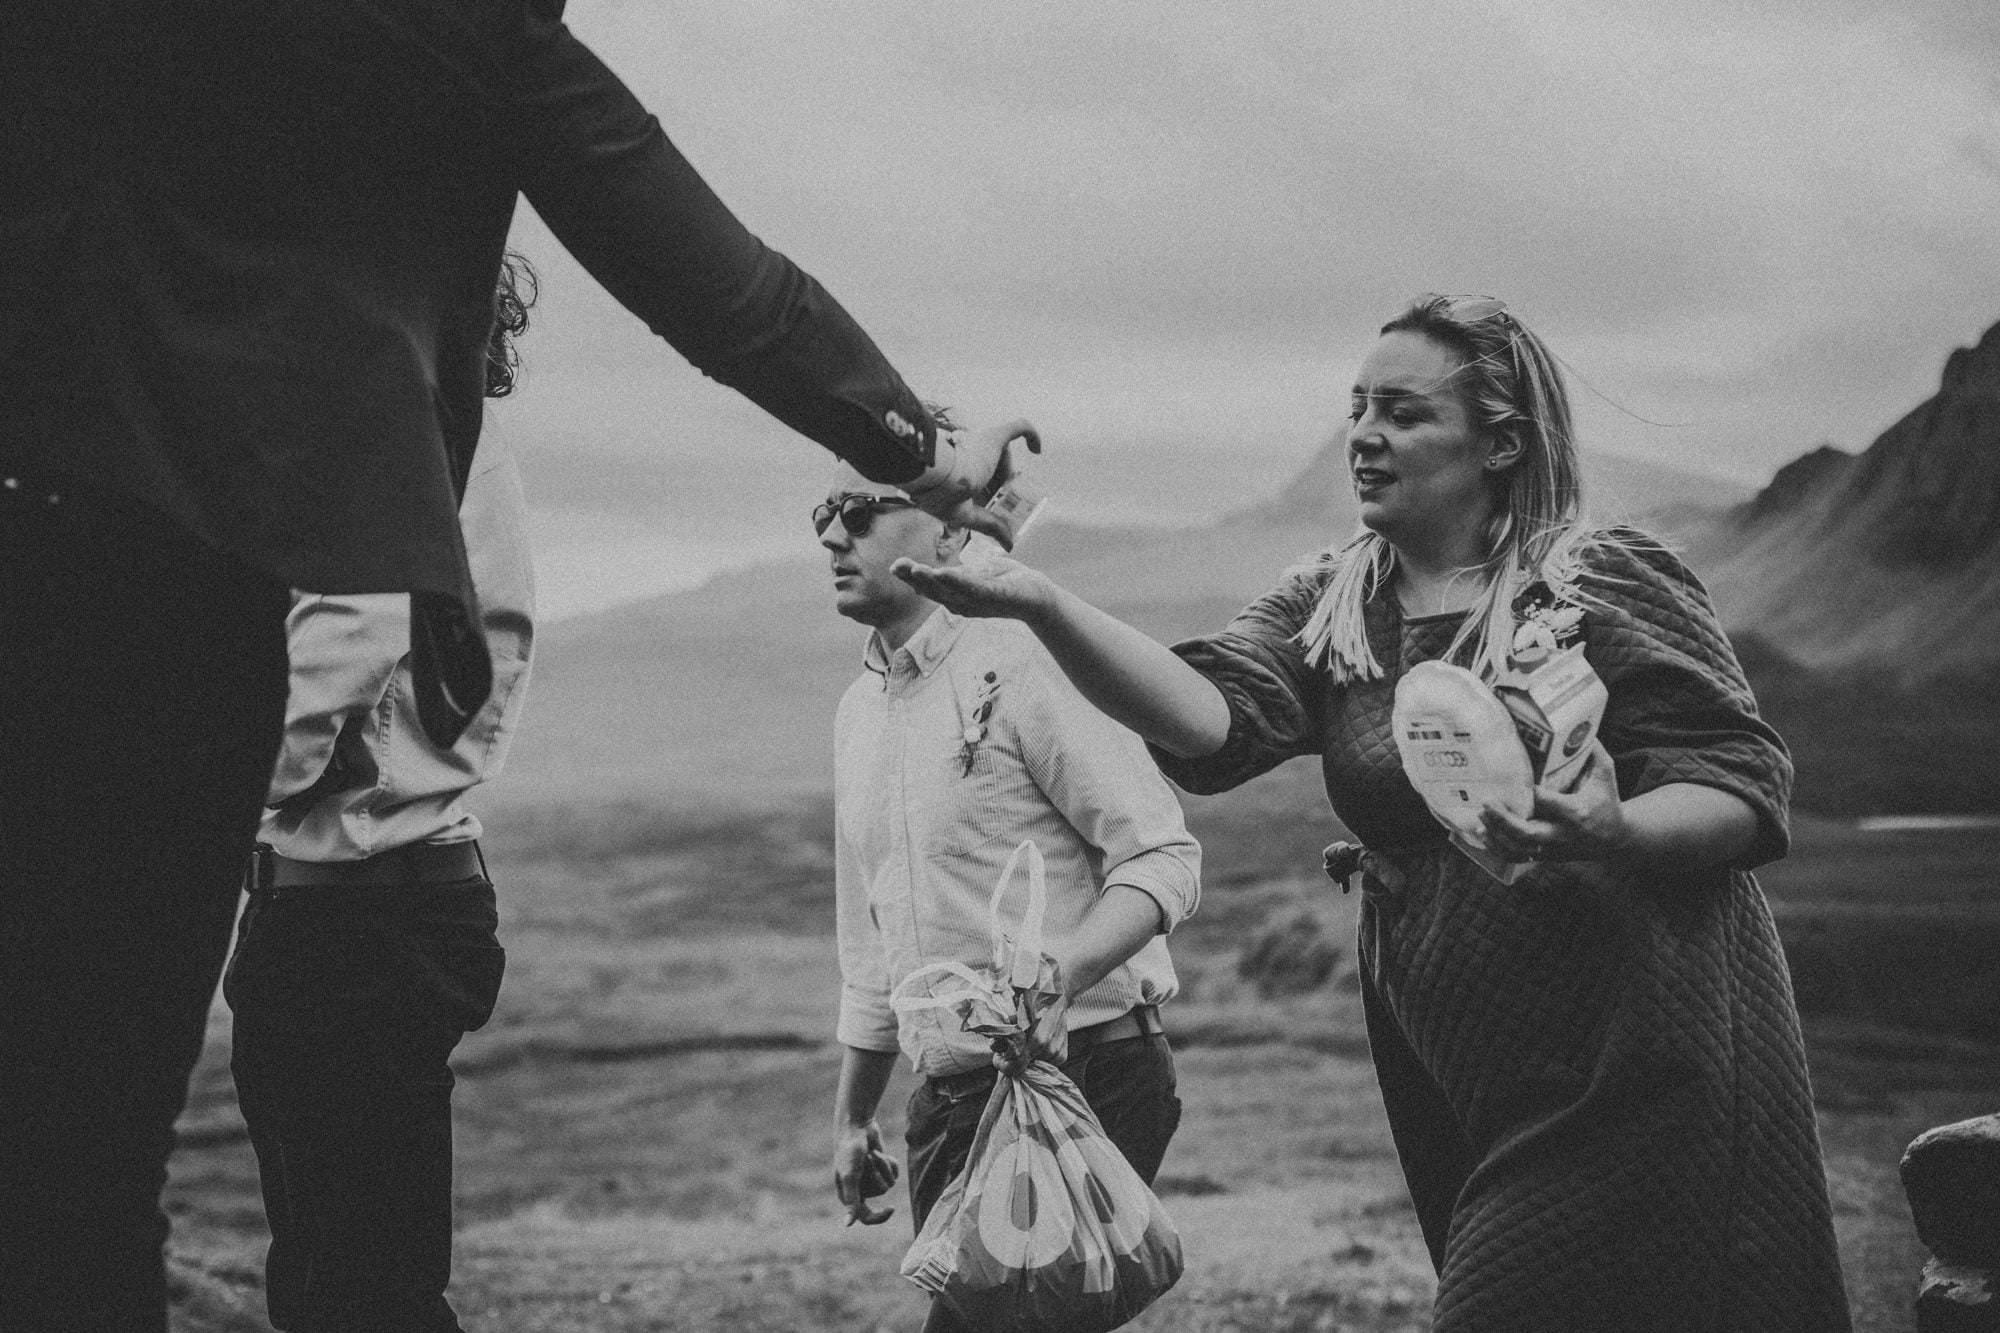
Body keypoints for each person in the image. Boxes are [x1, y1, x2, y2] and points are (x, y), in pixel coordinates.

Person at [0, 9, 1031, 1330]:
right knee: (104, 1174)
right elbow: (720, 281)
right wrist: (924, 450)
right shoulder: (449, 44)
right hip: (161, 618)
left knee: (125, 1190)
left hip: (122, 615)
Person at [896, 295, 1853, 1332]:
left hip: (1633, 1050)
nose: (1362, 433)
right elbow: (1208, 724)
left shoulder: (1596, 576)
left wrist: (1613, 830)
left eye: (1401, 412)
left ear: (1499, 441)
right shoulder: (1336, 601)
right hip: (1461, 1062)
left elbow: (1738, 784)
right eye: (1356, 407)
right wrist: (1040, 603)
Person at [221, 257, 537, 1333]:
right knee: (353, 1275)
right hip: (375, 902)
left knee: (350, 1290)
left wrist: (198, 805)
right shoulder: (452, 437)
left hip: (353, 913)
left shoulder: (392, 425)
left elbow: (347, 636)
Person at [817, 457, 1201, 1333]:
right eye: (823, 514)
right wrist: (851, 1118)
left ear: (953, 529)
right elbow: (871, 941)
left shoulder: (1033, 657)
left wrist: (1066, 967)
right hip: (947, 1101)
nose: (833, 535)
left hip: (1085, 1072)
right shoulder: (857, 711)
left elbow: (1163, 855)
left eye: (862, 510)